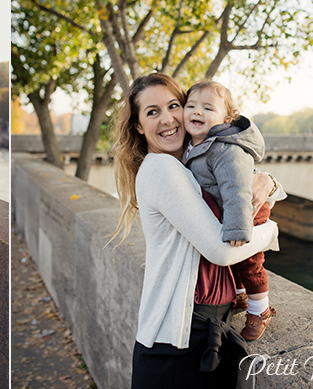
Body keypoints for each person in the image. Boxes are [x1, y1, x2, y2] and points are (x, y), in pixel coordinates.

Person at [111, 72, 283, 389]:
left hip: (206, 328)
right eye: (152, 112)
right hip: (178, 341)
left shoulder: (193, 163)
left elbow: (232, 184)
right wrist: (270, 233)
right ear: (138, 126)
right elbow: (220, 250)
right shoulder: (161, 167)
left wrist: (266, 180)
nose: (168, 120)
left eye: (174, 105)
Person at [183, 79, 276, 341]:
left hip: (246, 211)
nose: (197, 112)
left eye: (208, 108)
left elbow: (237, 190)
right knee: (234, 259)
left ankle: (261, 310)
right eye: (191, 105)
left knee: (249, 262)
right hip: (228, 211)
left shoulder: (225, 149)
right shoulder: (195, 145)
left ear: (227, 118)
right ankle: (240, 295)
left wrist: (238, 225)